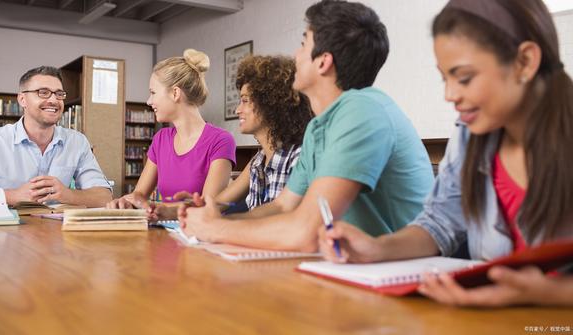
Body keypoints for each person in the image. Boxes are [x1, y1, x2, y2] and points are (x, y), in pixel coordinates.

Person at [318, 0, 573, 307]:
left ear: (525, 61)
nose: (450, 95)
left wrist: (547, 294)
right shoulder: (470, 136)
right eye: (445, 78)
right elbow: (439, 224)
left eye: (463, 78)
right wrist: (375, 248)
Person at [179, 0, 434, 252]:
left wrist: (213, 230)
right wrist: (216, 222)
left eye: (303, 44)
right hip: (355, 270)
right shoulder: (318, 128)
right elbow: (283, 206)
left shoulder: (362, 110)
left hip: (405, 276)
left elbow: (305, 231)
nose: (295, 55)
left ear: (323, 61)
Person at [0, 66, 112, 207]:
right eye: (43, 92)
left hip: (59, 239)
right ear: (22, 100)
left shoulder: (77, 142)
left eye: (59, 94)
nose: (54, 100)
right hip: (5, 238)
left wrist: (68, 195)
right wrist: (12, 196)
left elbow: (104, 197)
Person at [107, 49, 236, 219]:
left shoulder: (220, 141)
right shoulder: (161, 138)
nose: (148, 101)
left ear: (175, 93)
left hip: (199, 238)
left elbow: (207, 206)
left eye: (153, 92)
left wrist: (157, 207)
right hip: (163, 235)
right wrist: (125, 202)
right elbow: (139, 195)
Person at [180, 55, 312, 211]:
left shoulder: (299, 159)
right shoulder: (258, 162)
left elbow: (285, 225)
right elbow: (214, 205)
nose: (237, 110)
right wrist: (173, 210)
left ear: (270, 103)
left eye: (245, 100)